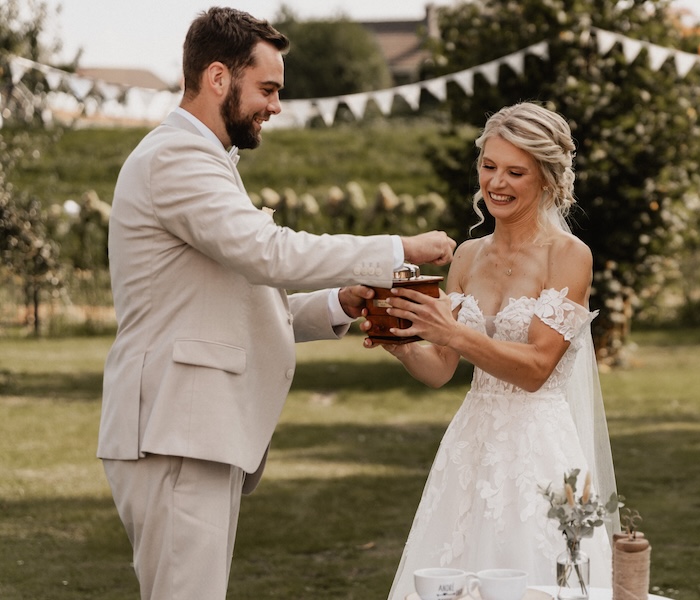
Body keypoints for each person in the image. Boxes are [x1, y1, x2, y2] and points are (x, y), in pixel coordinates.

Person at [97, 7, 456, 600]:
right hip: (174, 430)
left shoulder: (205, 160)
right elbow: (270, 252)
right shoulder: (177, 159)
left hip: (191, 431)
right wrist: (397, 247)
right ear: (218, 78)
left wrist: (340, 303)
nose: (276, 106)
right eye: (267, 88)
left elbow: (236, 302)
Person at [362, 102, 619, 597]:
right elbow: (440, 369)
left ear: (546, 178)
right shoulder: (467, 255)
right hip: (470, 444)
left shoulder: (568, 256)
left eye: (515, 171)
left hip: (543, 450)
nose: (496, 183)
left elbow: (537, 368)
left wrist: (452, 332)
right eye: (488, 166)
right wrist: (399, 338)